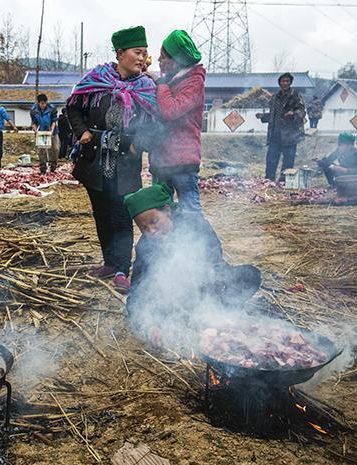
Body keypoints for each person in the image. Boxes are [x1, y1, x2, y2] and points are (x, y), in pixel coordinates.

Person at [66, 26, 159, 292]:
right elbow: (73, 108)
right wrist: (82, 131)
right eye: (137, 52)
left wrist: (137, 143)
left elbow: (154, 126)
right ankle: (109, 262)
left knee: (121, 215)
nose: (143, 58)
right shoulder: (96, 80)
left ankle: (121, 269)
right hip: (95, 160)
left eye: (145, 53)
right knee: (102, 213)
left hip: (125, 164)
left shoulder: (146, 88)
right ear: (120, 53)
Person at [124, 183, 261, 349]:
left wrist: (204, 288)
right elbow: (136, 292)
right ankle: (189, 318)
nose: (151, 231)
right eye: (144, 228)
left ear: (167, 211)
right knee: (158, 300)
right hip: (172, 297)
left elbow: (215, 264)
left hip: (207, 288)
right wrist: (150, 326)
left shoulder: (196, 225)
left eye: (154, 221)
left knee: (249, 275)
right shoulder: (144, 247)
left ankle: (224, 313)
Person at [150, 29, 206, 213]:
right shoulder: (172, 80)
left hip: (182, 160)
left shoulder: (194, 82)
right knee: (160, 213)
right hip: (161, 160)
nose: (158, 61)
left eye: (162, 58)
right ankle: (167, 244)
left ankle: (203, 242)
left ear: (176, 61)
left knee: (190, 212)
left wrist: (161, 84)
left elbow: (170, 110)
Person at [256, 73, 306, 181]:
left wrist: (293, 113)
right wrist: (263, 116)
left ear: (290, 83)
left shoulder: (296, 95)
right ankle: (269, 181)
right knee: (271, 159)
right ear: (279, 83)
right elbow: (274, 115)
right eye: (283, 81)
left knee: (288, 161)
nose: (285, 83)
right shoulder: (275, 97)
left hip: (290, 135)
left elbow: (302, 111)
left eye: (287, 81)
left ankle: (284, 182)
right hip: (275, 134)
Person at [30, 93, 59, 173]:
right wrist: (36, 131)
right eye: (42, 103)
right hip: (41, 131)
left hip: (52, 131)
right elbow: (34, 122)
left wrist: (51, 131)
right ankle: (43, 167)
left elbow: (54, 121)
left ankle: (53, 166)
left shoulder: (52, 109)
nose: (44, 105)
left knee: (55, 149)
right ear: (38, 103)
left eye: (45, 103)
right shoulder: (34, 110)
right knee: (41, 150)